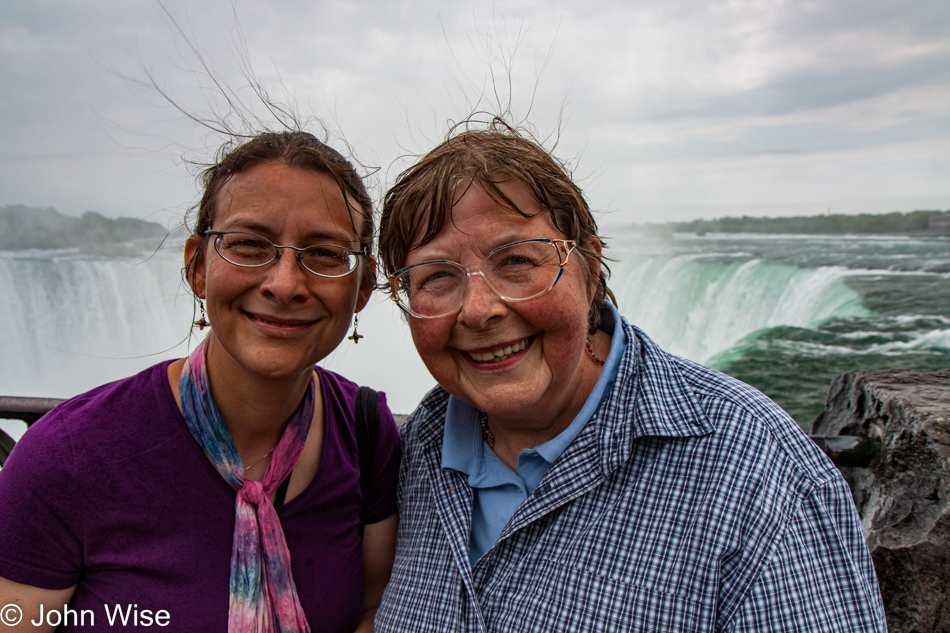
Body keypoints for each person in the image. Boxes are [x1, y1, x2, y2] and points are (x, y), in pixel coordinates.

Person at [372, 124, 887, 631]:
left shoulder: (756, 473)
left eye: (517, 260)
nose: (479, 310)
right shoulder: (416, 449)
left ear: (591, 268)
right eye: (437, 275)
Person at [0, 131, 400, 633]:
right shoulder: (68, 456)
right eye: (249, 245)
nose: (284, 283)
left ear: (362, 287)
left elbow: (371, 609)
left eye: (324, 254)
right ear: (196, 267)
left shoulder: (365, 434)